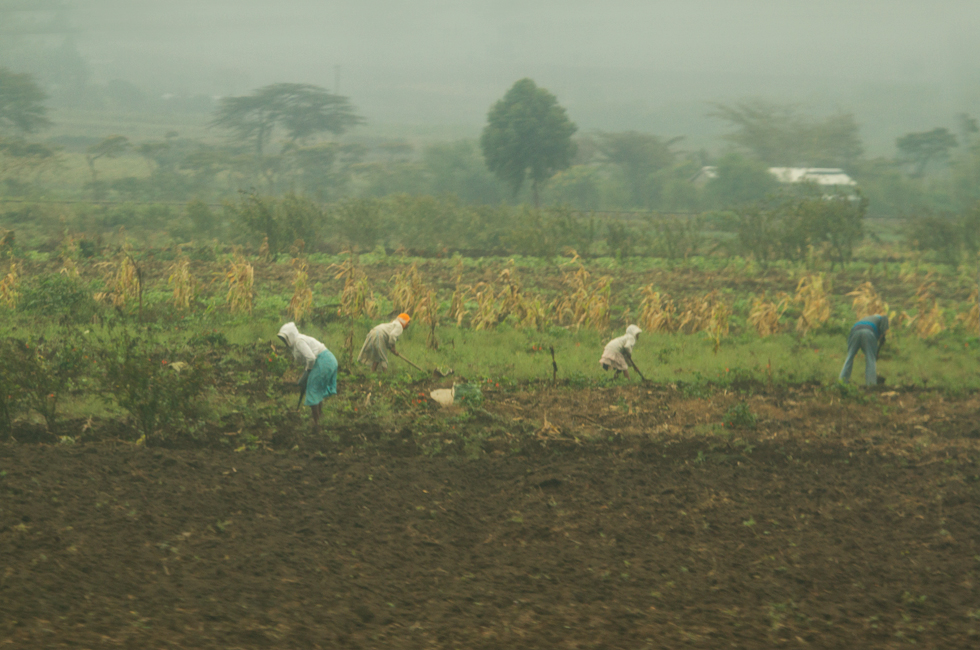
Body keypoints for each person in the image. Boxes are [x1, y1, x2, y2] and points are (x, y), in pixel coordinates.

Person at [277, 322, 337, 427]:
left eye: (284, 338)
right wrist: (306, 375)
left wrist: (306, 374)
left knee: (312, 389)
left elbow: (311, 358)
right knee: (316, 388)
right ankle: (320, 417)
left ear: (290, 336)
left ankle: (316, 423)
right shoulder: (298, 342)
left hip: (323, 361)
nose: (283, 342)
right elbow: (309, 360)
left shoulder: (299, 341)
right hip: (327, 360)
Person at [839, 314, 889, 386]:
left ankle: (842, 381)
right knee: (870, 359)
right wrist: (875, 353)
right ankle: (871, 385)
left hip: (854, 332)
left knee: (849, 357)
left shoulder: (866, 318)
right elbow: (882, 334)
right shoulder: (884, 318)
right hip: (868, 332)